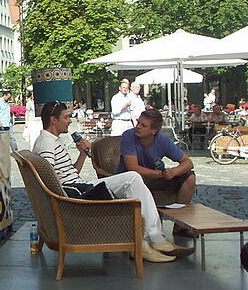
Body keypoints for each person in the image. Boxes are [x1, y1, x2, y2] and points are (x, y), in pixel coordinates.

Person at [32, 102, 189, 262]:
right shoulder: (46, 143)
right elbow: (48, 179)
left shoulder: (52, 140)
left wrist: (82, 155)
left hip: (77, 186)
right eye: (66, 117)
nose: (70, 121)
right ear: (53, 120)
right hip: (75, 193)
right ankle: (154, 239)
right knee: (133, 177)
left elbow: (67, 174)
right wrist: (68, 197)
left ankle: (147, 241)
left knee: (133, 179)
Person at [117, 110, 197, 208]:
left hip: (155, 178)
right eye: (138, 122)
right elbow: (133, 168)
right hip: (132, 179)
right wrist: (159, 174)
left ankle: (179, 220)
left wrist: (174, 171)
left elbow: (188, 163)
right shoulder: (129, 136)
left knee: (190, 177)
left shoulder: (163, 140)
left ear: (153, 131)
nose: (138, 126)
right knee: (135, 177)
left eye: (143, 125)